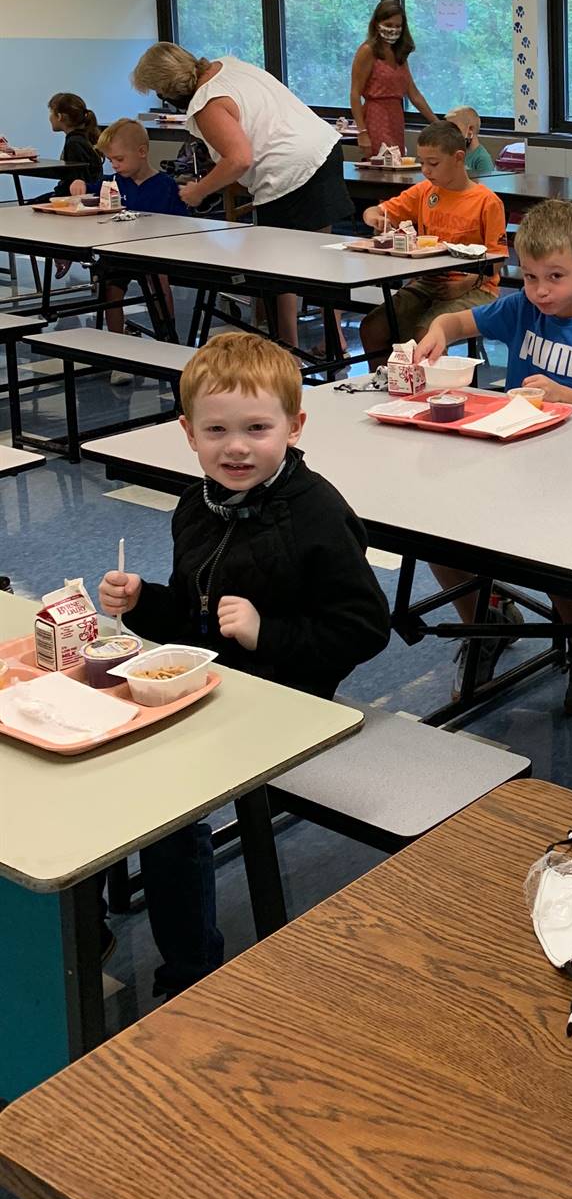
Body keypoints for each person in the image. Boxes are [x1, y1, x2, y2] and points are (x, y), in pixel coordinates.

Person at [97, 333, 389, 996]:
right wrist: (145, 603)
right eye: (216, 430)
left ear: (294, 425)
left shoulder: (315, 514)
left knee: (167, 810)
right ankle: (84, 923)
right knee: (97, 756)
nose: (236, 447)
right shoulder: (196, 506)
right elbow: (198, 619)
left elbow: (365, 628)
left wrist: (267, 635)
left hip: (292, 698)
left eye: (257, 429)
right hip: (215, 683)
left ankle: (191, 973)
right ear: (188, 435)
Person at [416, 199, 572, 714]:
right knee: (433, 531)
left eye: (554, 277)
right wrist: (436, 335)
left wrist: (566, 395)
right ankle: (485, 622)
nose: (540, 290)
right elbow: (455, 324)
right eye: (530, 276)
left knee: (554, 559)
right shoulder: (520, 309)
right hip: (513, 455)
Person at [131, 42, 350, 352]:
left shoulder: (206, 104)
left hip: (287, 168)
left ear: (168, 88)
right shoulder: (227, 65)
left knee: (277, 267)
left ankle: (287, 350)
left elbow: (239, 159)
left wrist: (199, 190)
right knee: (321, 254)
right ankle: (333, 337)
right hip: (325, 150)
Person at [357, 119, 505, 357]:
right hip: (427, 282)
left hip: (475, 285)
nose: (426, 170)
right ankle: (388, 385)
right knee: (373, 328)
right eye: (422, 162)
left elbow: (496, 261)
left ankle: (436, 391)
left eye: (433, 163)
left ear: (458, 158)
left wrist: (466, 283)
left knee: (425, 335)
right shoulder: (424, 191)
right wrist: (373, 216)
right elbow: (379, 211)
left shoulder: (486, 202)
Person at [96, 118, 188, 374]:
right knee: (111, 289)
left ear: (142, 152)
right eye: (111, 160)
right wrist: (77, 186)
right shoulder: (111, 183)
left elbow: (183, 222)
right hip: (117, 251)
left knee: (159, 280)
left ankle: (166, 337)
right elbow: (88, 195)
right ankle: (117, 346)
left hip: (153, 252)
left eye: (119, 159)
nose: (115, 165)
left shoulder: (165, 185)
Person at [349, 0, 438, 157]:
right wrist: (362, 131)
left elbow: (414, 94)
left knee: (397, 163)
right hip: (375, 116)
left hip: (396, 116)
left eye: (398, 26)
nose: (393, 30)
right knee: (381, 162)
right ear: (377, 24)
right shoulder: (368, 51)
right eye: (388, 25)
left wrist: (437, 123)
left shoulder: (399, 54)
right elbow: (355, 94)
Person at [48, 91, 102, 197]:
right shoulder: (81, 138)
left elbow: (76, 180)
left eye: (51, 112)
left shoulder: (74, 143)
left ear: (59, 116)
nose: (49, 117)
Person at [446, 106, 495, 178]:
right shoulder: (451, 153)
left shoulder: (482, 158)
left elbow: (487, 185)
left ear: (470, 129)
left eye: (454, 129)